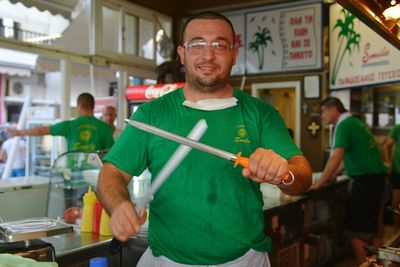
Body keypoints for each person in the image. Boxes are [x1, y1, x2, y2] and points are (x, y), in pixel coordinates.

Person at [97, 11, 312, 267]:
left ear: (233, 54)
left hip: (245, 260)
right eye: (197, 44)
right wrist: (120, 205)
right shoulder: (152, 114)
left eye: (219, 45)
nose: (208, 55)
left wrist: (283, 173)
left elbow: (303, 176)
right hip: (166, 260)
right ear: (182, 53)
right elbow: (111, 174)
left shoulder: (260, 113)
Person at [311, 97, 386, 264]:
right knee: (373, 230)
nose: (322, 116)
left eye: (323, 111)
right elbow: (345, 159)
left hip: (366, 183)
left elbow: (336, 157)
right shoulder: (355, 122)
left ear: (334, 110)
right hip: (376, 181)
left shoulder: (343, 125)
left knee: (355, 232)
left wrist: (318, 184)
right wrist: (330, 176)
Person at [9, 93, 114, 151]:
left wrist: (18, 133)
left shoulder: (70, 126)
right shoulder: (105, 128)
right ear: (93, 106)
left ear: (80, 106)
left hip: (74, 175)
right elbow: (111, 153)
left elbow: (41, 130)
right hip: (96, 175)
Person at [382, 125, 400, 229]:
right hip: (398, 172)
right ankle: (397, 231)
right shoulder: (397, 128)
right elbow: (385, 145)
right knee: (395, 204)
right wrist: (388, 162)